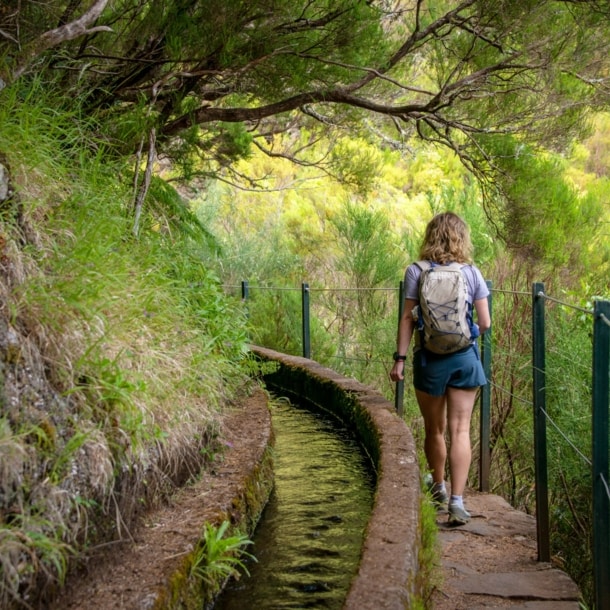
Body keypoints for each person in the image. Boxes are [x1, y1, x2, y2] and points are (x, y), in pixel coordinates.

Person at [390, 212, 491, 526]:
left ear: (430, 236)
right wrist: (467, 336)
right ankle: (458, 503)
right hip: (464, 360)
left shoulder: (415, 271)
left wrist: (400, 360)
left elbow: (407, 318)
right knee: (461, 430)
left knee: (435, 430)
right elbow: (485, 323)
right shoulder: (472, 272)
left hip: (429, 360)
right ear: (462, 237)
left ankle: (439, 486)